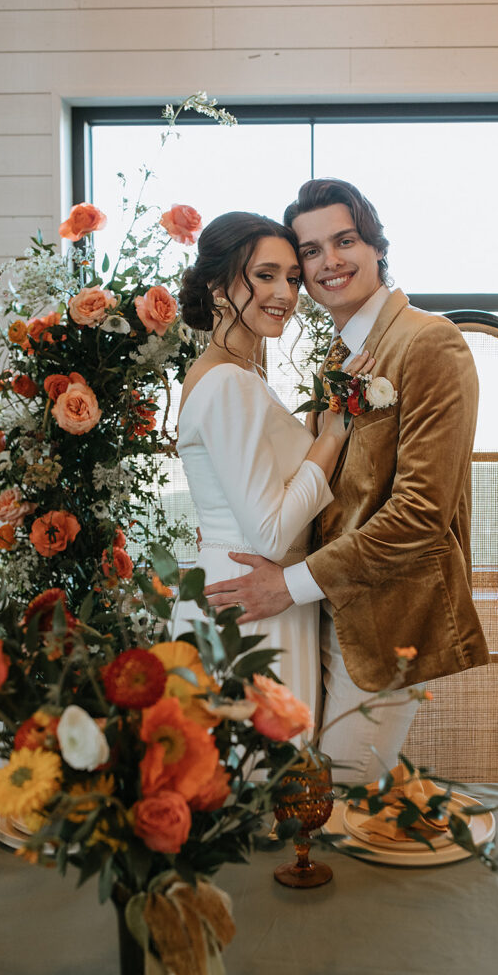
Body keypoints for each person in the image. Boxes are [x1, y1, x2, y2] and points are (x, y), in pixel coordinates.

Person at [204, 180, 490, 782]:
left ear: (377, 247)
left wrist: (291, 584)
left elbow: (420, 514)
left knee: (345, 801)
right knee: (306, 798)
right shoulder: (337, 360)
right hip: (321, 617)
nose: (329, 261)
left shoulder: (431, 342)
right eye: (310, 251)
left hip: (384, 621)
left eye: (345, 240)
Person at [172, 211, 374, 723]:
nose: (284, 292)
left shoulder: (242, 373)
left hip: (258, 592)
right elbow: (269, 532)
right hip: (249, 600)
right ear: (219, 286)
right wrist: (331, 434)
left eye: (290, 277)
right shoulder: (227, 383)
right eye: (265, 275)